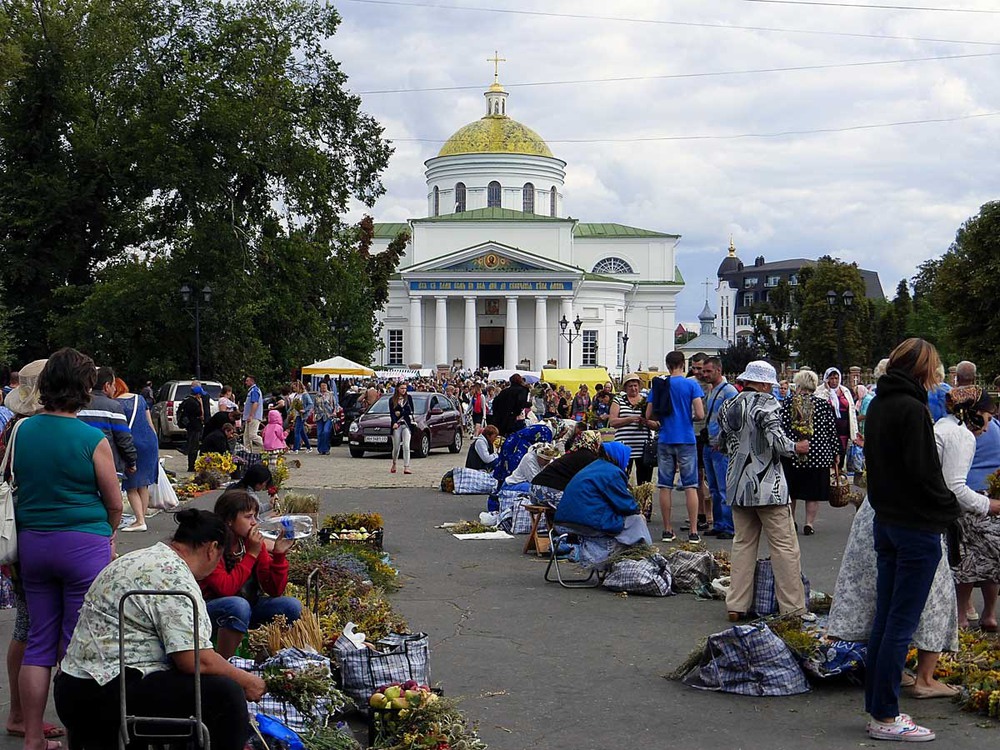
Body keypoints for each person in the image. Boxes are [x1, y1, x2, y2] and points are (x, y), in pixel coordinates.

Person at [54, 509, 265, 750]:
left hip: (73, 685)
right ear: (212, 548)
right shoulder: (174, 576)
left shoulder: (139, 558)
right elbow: (194, 660)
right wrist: (248, 681)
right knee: (226, 693)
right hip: (104, 693)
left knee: (208, 683)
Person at [11, 347, 124, 750]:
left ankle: (33, 736)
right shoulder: (92, 438)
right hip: (83, 545)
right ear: (84, 386)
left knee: (38, 641)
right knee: (78, 645)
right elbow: (114, 503)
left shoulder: (21, 431)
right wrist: (107, 534)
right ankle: (82, 733)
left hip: (33, 544)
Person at [862, 338, 960, 742]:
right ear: (923, 370)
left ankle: (878, 707)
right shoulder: (913, 408)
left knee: (886, 620)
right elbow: (925, 473)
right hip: (915, 526)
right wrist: (950, 509)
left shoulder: (881, 404)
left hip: (886, 521)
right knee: (900, 623)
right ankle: (885, 716)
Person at [1, 359, 65, 742]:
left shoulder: (14, 427)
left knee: (30, 627)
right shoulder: (28, 430)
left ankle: (20, 712)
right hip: (33, 537)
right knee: (33, 628)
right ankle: (22, 716)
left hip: (22, 538)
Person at [718, 360, 810, 623]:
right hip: (768, 485)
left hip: (737, 484)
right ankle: (792, 608)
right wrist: (797, 447)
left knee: (743, 545)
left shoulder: (728, 405)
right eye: (769, 384)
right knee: (784, 547)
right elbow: (778, 442)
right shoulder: (766, 403)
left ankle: (736, 604)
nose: (771, 389)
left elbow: (722, 444)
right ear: (762, 383)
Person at [201, 490, 302, 659]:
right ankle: (223, 662)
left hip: (248, 604)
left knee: (291, 606)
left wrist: (278, 555)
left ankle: (273, 656)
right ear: (229, 520)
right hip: (215, 609)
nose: (254, 522)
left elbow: (274, 589)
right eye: (248, 517)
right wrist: (251, 555)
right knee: (238, 605)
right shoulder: (213, 546)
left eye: (255, 516)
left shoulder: (251, 542)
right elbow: (225, 589)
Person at [940, 387, 1000, 631]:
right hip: (972, 500)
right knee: (974, 558)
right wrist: (989, 504)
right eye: (986, 419)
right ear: (974, 413)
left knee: (968, 559)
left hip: (964, 503)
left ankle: (962, 616)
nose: (986, 428)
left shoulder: (945, 426)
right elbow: (954, 487)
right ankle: (979, 615)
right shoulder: (961, 435)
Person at [554, 442, 652, 566]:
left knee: (629, 522)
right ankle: (647, 557)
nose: (627, 463)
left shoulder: (593, 467)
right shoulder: (612, 472)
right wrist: (638, 509)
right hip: (584, 523)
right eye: (627, 459)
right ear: (618, 456)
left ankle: (641, 555)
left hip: (563, 521)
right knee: (637, 520)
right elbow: (627, 506)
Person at [646, 351, 705, 543]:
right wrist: (688, 417)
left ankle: (667, 529)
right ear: (683, 364)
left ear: (667, 364)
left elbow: (649, 414)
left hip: (665, 438)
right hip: (686, 438)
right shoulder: (691, 384)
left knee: (665, 485)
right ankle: (694, 531)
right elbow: (700, 413)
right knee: (690, 485)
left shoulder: (660, 384)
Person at [779, 369, 840, 536]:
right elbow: (831, 431)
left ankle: (791, 522)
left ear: (798, 384)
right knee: (812, 493)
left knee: (791, 491)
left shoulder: (788, 403)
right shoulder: (823, 404)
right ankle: (809, 523)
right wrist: (836, 452)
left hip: (792, 453)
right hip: (818, 455)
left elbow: (781, 428)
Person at [114, 377, 160, 533]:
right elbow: (150, 423)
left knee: (131, 485)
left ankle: (139, 520)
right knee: (144, 484)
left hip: (132, 443)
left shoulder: (116, 404)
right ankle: (142, 517)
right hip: (149, 442)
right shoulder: (140, 399)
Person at [701, 357, 739, 539]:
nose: (704, 374)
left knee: (723, 488)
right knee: (714, 488)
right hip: (709, 444)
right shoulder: (711, 390)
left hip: (720, 447)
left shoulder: (729, 391)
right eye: (704, 371)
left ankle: (729, 527)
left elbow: (734, 420)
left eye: (708, 371)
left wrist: (723, 441)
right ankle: (718, 523)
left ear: (718, 370)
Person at [78, 365, 138, 478]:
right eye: (114, 385)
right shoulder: (113, 407)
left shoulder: (78, 405)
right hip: (109, 468)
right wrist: (131, 461)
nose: (115, 389)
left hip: (81, 467)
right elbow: (124, 439)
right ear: (106, 386)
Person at [610, 373, 657, 487]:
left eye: (635, 385)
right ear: (625, 387)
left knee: (644, 482)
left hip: (643, 447)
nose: (633, 388)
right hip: (624, 446)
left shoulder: (646, 401)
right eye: (630, 386)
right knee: (622, 480)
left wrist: (646, 422)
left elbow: (656, 424)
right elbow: (613, 422)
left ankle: (644, 503)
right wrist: (629, 419)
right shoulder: (618, 400)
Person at [815, 367, 859, 471]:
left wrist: (854, 431)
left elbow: (852, 411)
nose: (834, 381)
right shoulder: (820, 391)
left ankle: (839, 476)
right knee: (830, 455)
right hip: (828, 429)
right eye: (831, 378)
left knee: (842, 453)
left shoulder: (845, 391)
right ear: (827, 379)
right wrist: (828, 391)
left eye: (836, 378)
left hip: (843, 429)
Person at [178, 383, 206, 473]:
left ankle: (191, 463)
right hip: (195, 426)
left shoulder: (187, 400)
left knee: (193, 445)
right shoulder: (193, 402)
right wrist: (200, 403)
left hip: (191, 426)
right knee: (194, 447)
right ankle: (191, 466)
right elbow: (200, 414)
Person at [388, 381, 415, 475]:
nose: (404, 390)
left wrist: (401, 412)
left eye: (405, 388)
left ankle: (406, 466)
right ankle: (394, 463)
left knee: (406, 445)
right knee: (396, 447)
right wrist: (394, 422)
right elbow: (392, 413)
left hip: (406, 424)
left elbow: (411, 410)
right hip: (397, 425)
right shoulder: (392, 400)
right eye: (402, 388)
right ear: (397, 389)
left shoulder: (409, 398)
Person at [242, 375, 264, 452]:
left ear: (252, 381)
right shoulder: (252, 390)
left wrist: (251, 415)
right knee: (246, 437)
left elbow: (255, 403)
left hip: (253, 417)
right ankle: (247, 452)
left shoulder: (254, 390)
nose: (246, 382)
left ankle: (266, 445)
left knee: (252, 435)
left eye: (247, 381)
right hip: (249, 417)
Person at [314, 381, 336, 455]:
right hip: (319, 416)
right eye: (322, 386)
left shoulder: (330, 394)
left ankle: (326, 449)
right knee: (319, 433)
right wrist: (314, 415)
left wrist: (334, 412)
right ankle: (320, 449)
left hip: (328, 415)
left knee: (326, 431)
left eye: (325, 385)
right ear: (320, 387)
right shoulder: (317, 395)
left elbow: (335, 405)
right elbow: (315, 406)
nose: (323, 387)